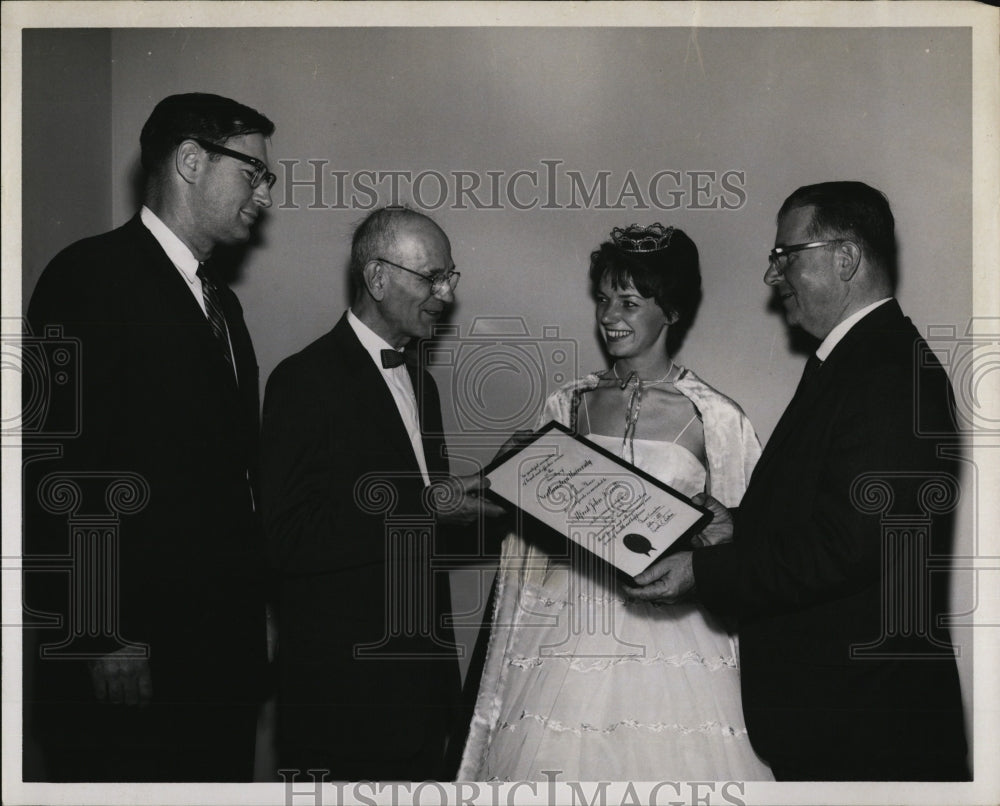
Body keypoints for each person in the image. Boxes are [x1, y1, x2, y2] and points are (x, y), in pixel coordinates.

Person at [626, 182, 969, 780]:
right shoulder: (860, 361)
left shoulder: (887, 373)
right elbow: (836, 517)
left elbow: (851, 547)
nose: (772, 275)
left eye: (786, 255)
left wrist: (702, 573)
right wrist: (740, 526)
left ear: (846, 258)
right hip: (846, 723)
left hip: (868, 736)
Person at [459, 224, 773, 781]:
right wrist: (497, 482)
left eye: (630, 301)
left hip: (672, 625)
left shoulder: (715, 417)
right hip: (564, 625)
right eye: (604, 300)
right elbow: (523, 526)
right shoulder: (568, 403)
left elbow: (749, 544)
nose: (610, 316)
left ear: (671, 310)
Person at [24, 93, 276, 781]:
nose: (264, 193)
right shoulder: (89, 277)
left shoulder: (222, 304)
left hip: (214, 665)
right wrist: (102, 633)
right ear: (191, 160)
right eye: (253, 172)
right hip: (129, 668)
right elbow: (55, 467)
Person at [261, 207, 504, 780]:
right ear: (377, 278)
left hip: (420, 695)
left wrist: (521, 506)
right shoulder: (302, 381)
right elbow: (288, 539)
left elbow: (425, 534)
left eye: (450, 278)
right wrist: (428, 504)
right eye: (432, 278)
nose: (445, 294)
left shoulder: (420, 380)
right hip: (342, 701)